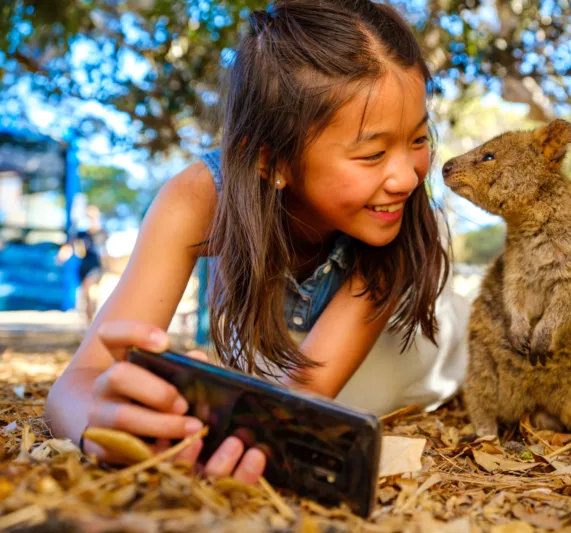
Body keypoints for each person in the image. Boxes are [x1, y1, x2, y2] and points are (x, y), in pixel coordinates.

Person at [45, 0, 468, 485]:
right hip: (289, 348)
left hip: (426, 346)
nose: (408, 177)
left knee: (356, 398)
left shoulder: (395, 219)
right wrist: (100, 427)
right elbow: (74, 385)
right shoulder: (197, 199)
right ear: (271, 162)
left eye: (418, 139)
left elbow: (304, 395)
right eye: (372, 154)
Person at [57, 205, 107, 324]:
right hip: (84, 267)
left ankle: (93, 321)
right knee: (86, 295)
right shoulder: (82, 234)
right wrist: (62, 256)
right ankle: (89, 323)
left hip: (96, 267)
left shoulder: (102, 233)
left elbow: (105, 253)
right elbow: (69, 246)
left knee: (90, 291)